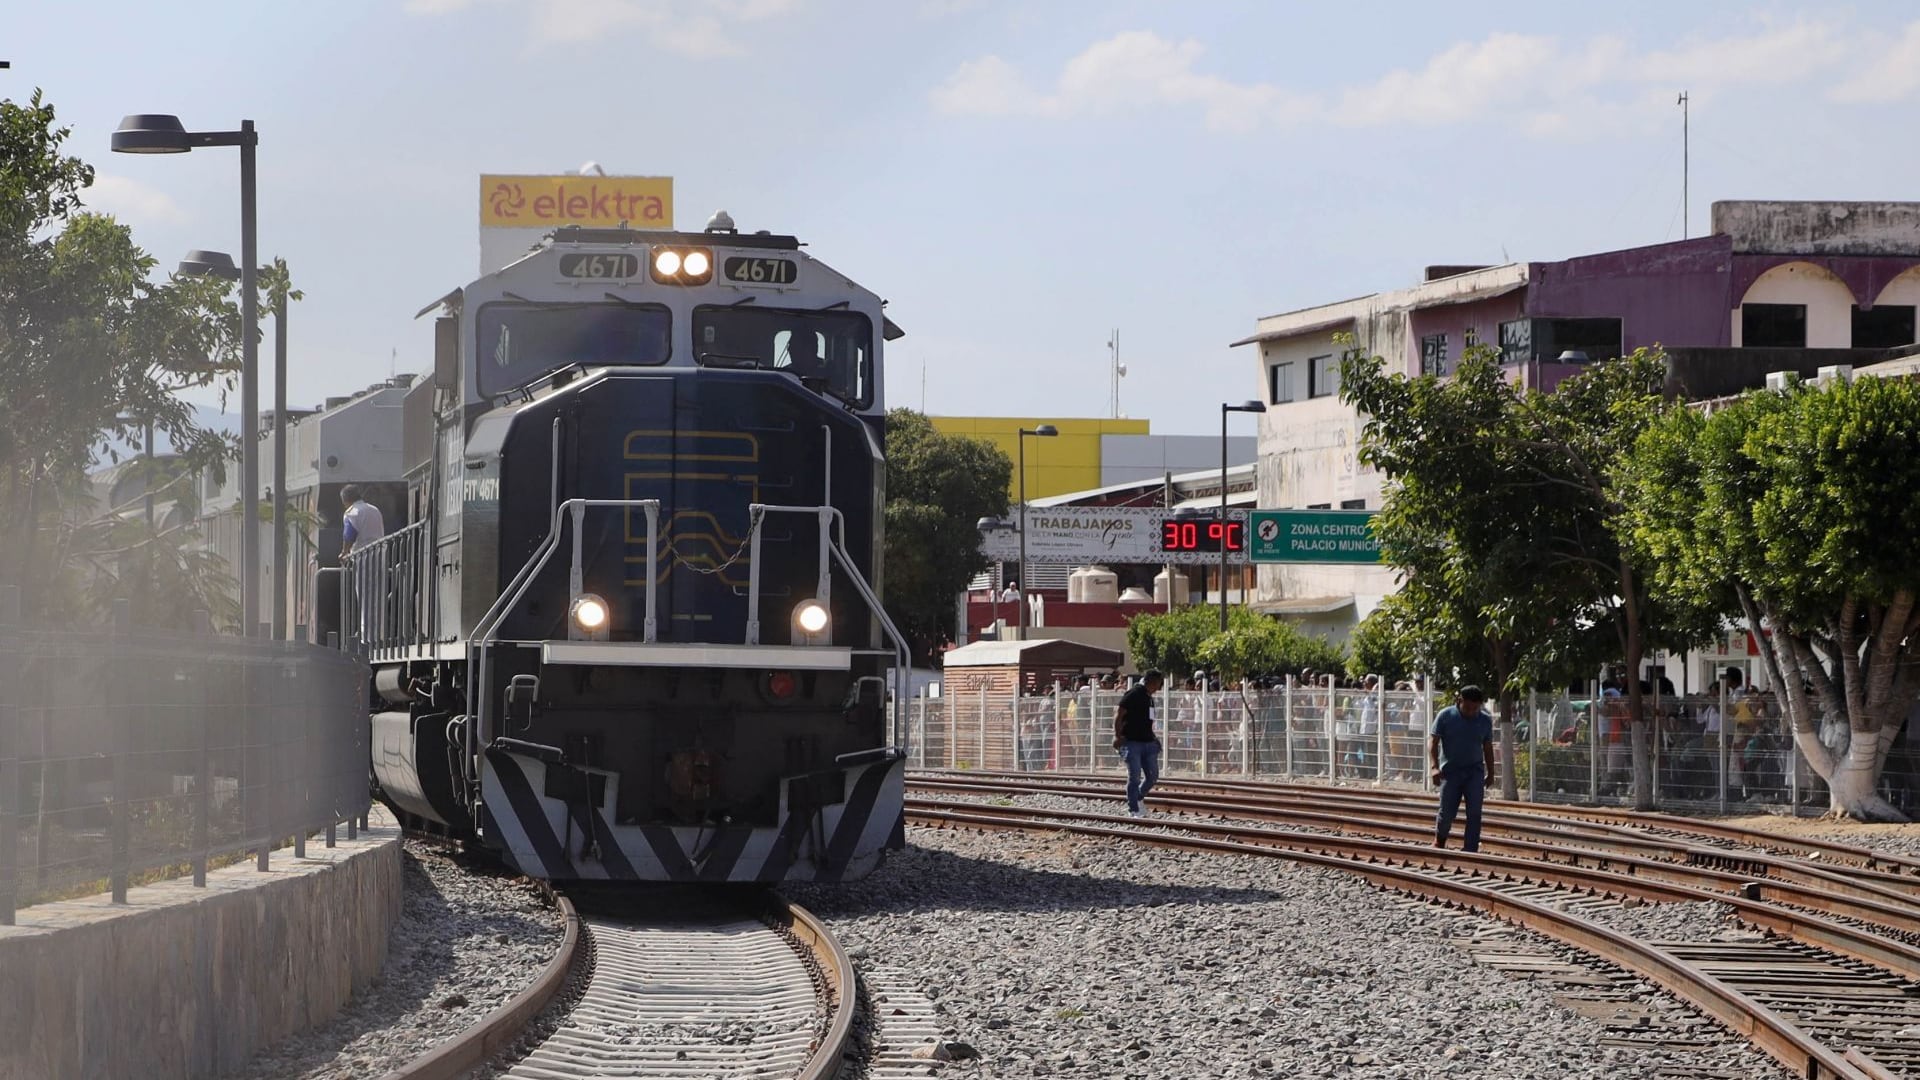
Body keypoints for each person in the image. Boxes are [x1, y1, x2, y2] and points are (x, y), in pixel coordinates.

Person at [1430, 685, 1495, 851]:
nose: (1472, 712)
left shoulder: (1485, 720)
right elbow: (1433, 742)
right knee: (1447, 813)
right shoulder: (1445, 716)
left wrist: (1491, 773)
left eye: (1476, 708)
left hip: (1474, 772)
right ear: (1459, 701)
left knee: (1474, 813)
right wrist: (1434, 767)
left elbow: (1487, 748)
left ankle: (1470, 850)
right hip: (1450, 772)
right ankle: (1440, 840)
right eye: (1468, 707)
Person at [1113, 669, 1165, 817]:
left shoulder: (1149, 698)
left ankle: (1138, 798)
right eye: (1158, 683)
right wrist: (1118, 736)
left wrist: (1154, 739)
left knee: (1152, 776)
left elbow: (1148, 722)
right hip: (1131, 742)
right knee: (1134, 776)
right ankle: (1133, 808)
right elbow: (1119, 714)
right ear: (1151, 681)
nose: (1158, 687)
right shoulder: (1134, 694)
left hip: (1148, 742)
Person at [339, 485, 385, 555]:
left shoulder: (351, 513)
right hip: (380, 553)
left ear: (345, 501)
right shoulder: (375, 509)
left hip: (362, 556)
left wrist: (344, 552)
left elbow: (348, 536)